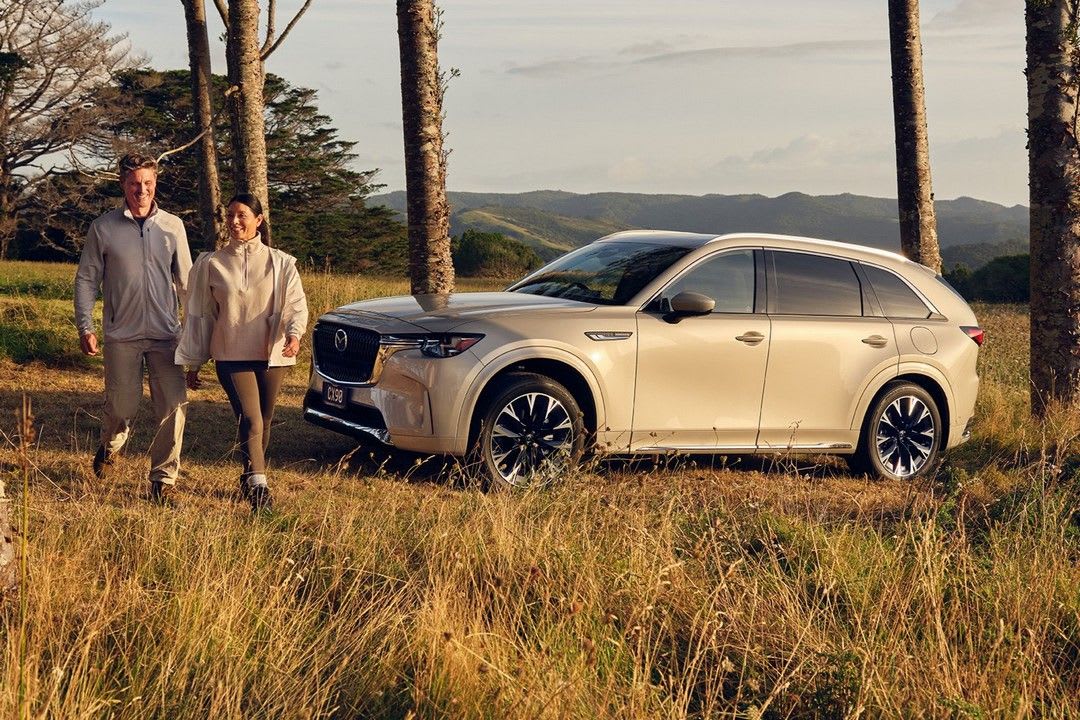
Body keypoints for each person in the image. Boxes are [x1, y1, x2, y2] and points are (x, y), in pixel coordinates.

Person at [176, 193, 309, 513]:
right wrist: (194, 360)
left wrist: (294, 334)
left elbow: (295, 305)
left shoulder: (281, 262)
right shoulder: (211, 264)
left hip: (270, 354)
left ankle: (249, 474)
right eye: (230, 216)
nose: (234, 222)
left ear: (258, 220)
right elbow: (200, 316)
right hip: (231, 354)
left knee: (264, 419)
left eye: (242, 215)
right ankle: (260, 487)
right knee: (250, 419)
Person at [74, 153, 192, 503]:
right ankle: (110, 447)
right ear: (122, 184)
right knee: (122, 408)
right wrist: (86, 325)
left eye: (148, 183)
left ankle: (163, 482)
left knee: (173, 407)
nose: (142, 190)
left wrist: (192, 330)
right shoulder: (104, 228)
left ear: (155, 184)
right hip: (121, 335)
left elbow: (186, 282)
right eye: (134, 183)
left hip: (166, 335)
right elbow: (86, 280)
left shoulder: (173, 226)